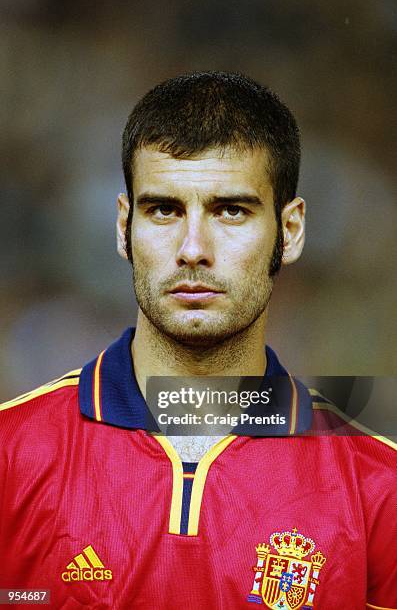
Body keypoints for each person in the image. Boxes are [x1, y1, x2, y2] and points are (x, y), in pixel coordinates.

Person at [0, 71, 396, 610]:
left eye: (231, 210)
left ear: (291, 230)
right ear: (123, 228)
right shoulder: (11, 457)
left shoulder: (379, 489)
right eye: (163, 209)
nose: (192, 249)